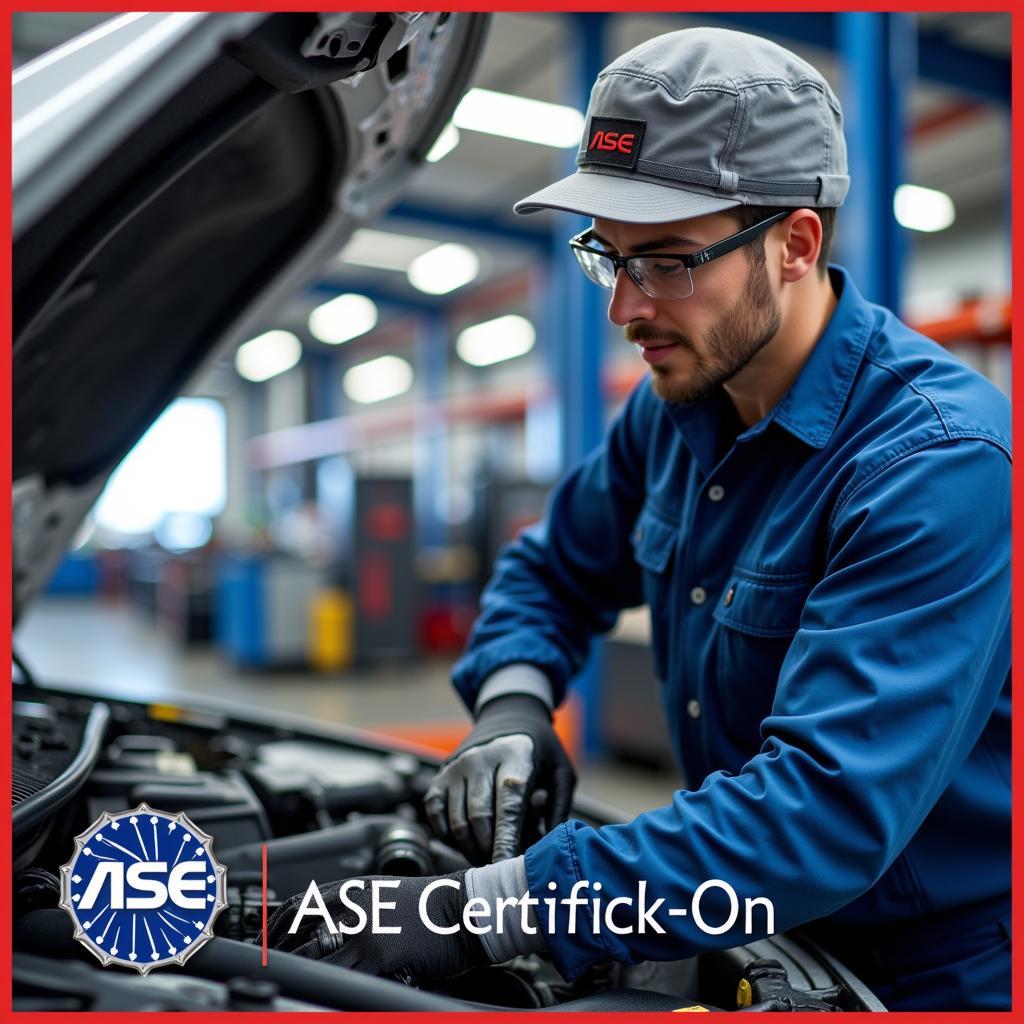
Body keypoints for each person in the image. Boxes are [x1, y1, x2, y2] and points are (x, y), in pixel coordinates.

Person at [267, 27, 1010, 1011]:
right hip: (748, 910)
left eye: (663, 262)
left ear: (795, 243)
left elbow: (820, 812)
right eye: (605, 258)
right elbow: (552, 570)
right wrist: (515, 703)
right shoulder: (672, 411)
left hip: (935, 964)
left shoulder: (934, 461)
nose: (624, 307)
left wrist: (490, 908)